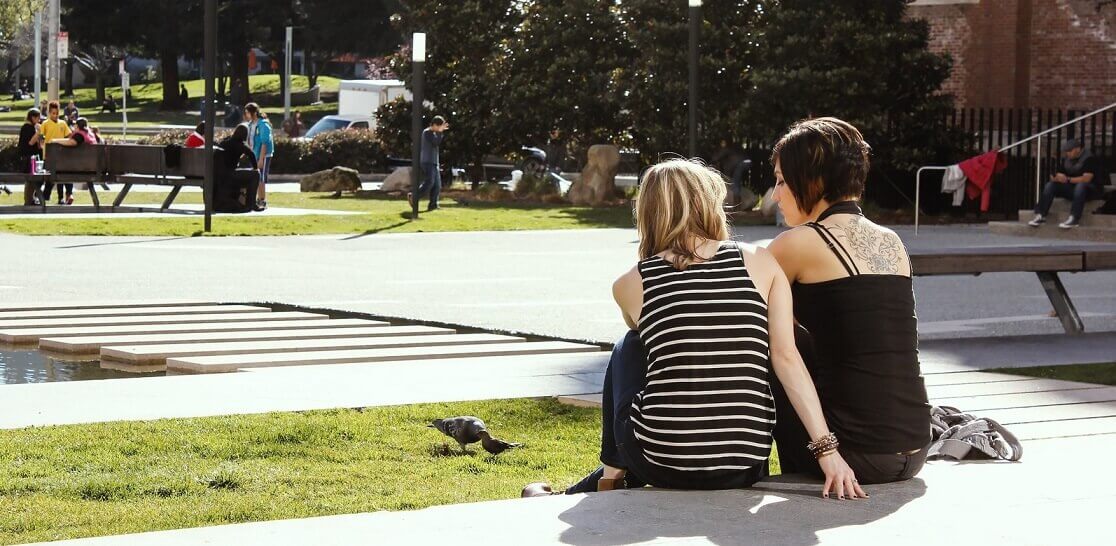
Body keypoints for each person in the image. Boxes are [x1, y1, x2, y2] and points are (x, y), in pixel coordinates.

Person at [523, 159, 864, 500]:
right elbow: (786, 358)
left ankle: (611, 474)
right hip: (744, 464)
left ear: (649, 212)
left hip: (659, 462)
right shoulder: (761, 261)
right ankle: (599, 480)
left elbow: (649, 341)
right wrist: (827, 451)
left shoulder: (630, 283)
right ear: (708, 203)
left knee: (630, 343)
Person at [766, 117, 931, 485]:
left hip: (855, 455)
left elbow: (762, 338)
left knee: (765, 339)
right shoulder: (891, 240)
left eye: (781, 181)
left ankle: (737, 465)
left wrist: (827, 450)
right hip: (915, 447)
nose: (776, 195)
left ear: (813, 180)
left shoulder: (796, 243)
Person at [1028, 138, 1104, 229]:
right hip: (1073, 189)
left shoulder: (1090, 159)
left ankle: (1074, 218)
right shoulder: (1068, 160)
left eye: (1070, 151)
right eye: (1066, 151)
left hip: (1091, 190)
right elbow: (1059, 173)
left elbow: (1086, 179)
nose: (1067, 153)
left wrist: (1067, 179)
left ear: (1078, 149)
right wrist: (1056, 178)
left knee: (1080, 186)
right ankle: (1041, 215)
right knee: (1050, 185)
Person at [215, 123, 262, 213]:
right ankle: (251, 204)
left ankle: (247, 203)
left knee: (247, 173)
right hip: (230, 175)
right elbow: (252, 156)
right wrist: (255, 168)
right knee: (256, 174)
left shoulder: (225, 142)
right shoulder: (241, 144)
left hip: (221, 175)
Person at [408, 115, 449, 211]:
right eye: (439, 126)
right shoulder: (427, 133)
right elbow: (436, 142)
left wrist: (439, 132)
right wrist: (440, 132)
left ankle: (433, 204)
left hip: (434, 162)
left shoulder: (433, 133)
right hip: (427, 161)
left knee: (437, 185)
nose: (440, 128)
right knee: (429, 182)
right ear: (434, 125)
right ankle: (414, 196)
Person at [40, 101, 73, 205]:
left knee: (60, 178)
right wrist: (42, 143)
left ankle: (60, 197)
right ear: (49, 113)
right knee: (49, 177)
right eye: (53, 113)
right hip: (48, 155)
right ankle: (45, 196)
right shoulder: (45, 124)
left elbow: (69, 135)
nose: (55, 115)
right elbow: (41, 138)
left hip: (60, 155)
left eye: (57, 113)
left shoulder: (62, 123)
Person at [244, 102, 273, 210]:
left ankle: (262, 200)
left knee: (261, 178)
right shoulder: (250, 124)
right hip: (254, 154)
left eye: (247, 112)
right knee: (255, 177)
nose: (246, 115)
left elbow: (265, 143)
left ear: (254, 113)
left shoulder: (263, 124)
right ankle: (257, 200)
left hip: (263, 155)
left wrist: (261, 159)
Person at [18, 108, 44, 206]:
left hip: (32, 157)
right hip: (27, 157)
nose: (39, 120)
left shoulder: (31, 127)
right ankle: (29, 200)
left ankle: (30, 199)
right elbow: (31, 142)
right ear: (32, 117)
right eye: (38, 118)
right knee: (31, 179)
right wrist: (39, 131)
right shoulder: (27, 128)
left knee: (33, 180)